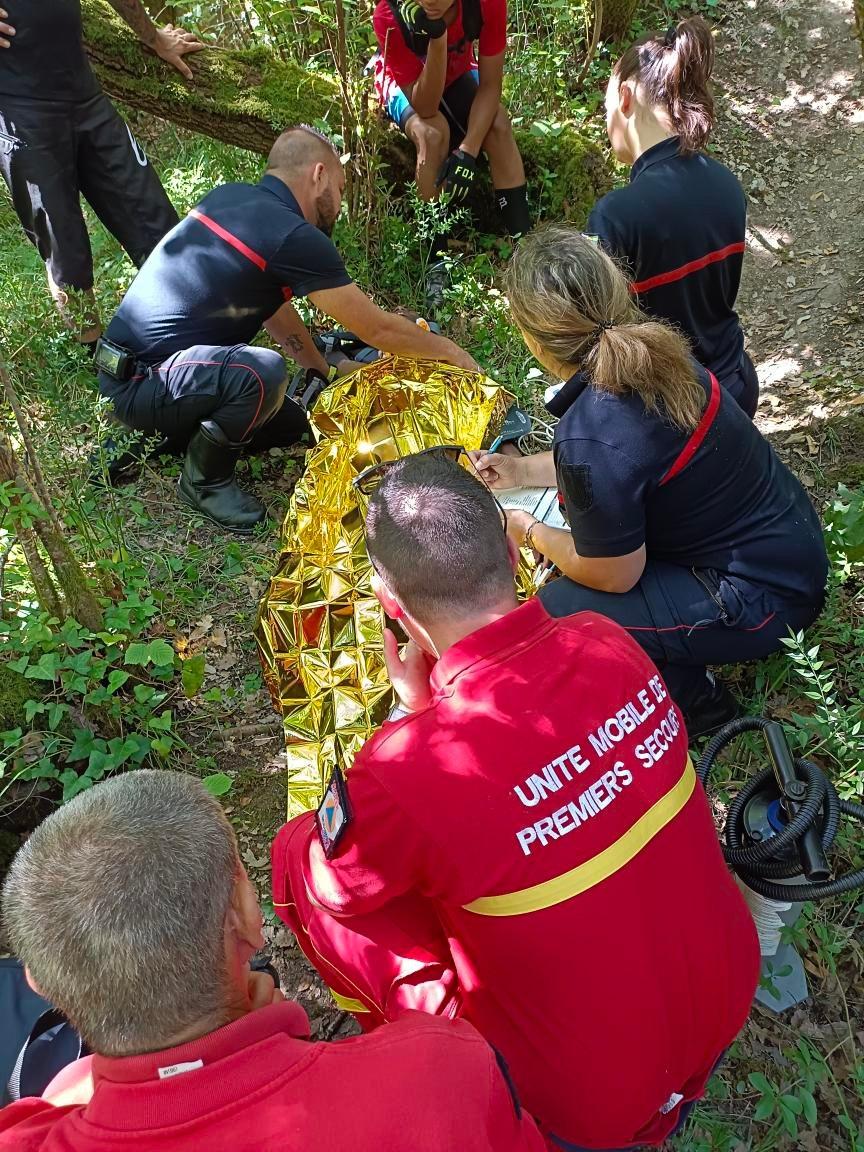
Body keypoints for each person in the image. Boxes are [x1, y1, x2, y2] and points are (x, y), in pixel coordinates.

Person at [271, 449, 761, 1151]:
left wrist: (412, 726)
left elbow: (338, 888)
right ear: (511, 548)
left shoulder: (406, 768)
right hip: (722, 1000)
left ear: (389, 603)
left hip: (587, 1099)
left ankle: (471, 1090)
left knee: (299, 856)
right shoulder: (605, 641)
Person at [0, 769, 545, 1152]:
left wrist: (78, 1092)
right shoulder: (439, 1072)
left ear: (38, 980)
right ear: (245, 910)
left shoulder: (27, 1132)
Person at [472, 226, 827, 735]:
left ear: (533, 339)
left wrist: (526, 528)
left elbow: (612, 574)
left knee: (562, 606)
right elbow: (629, 459)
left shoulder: (592, 430)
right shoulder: (658, 354)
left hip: (763, 603)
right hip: (793, 555)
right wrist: (524, 470)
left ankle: (700, 704)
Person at [96, 124, 478, 534]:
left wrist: (322, 371)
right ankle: (203, 482)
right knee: (261, 374)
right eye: (341, 187)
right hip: (145, 379)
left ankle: (160, 438)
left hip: (126, 374)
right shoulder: (294, 235)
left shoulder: (232, 198)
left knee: (291, 420)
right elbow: (377, 329)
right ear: (318, 175)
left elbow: (271, 307)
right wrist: (450, 353)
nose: (340, 203)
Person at [0, 0, 204, 351]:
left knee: (155, 221)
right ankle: (102, 372)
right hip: (20, 109)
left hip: (84, 95)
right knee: (66, 254)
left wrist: (154, 38)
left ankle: (198, 340)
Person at [586, 17, 759, 417]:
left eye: (607, 104)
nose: (605, 117)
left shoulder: (615, 215)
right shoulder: (725, 184)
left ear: (626, 97)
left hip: (668, 414)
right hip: (734, 387)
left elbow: (589, 336)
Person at [371, 0, 529, 299]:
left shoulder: (487, 3)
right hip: (406, 86)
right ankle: (436, 260)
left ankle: (526, 246)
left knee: (497, 124)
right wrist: (438, 35)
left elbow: (491, 85)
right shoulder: (389, 14)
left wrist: (468, 151)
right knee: (433, 135)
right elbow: (425, 105)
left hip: (456, 75)